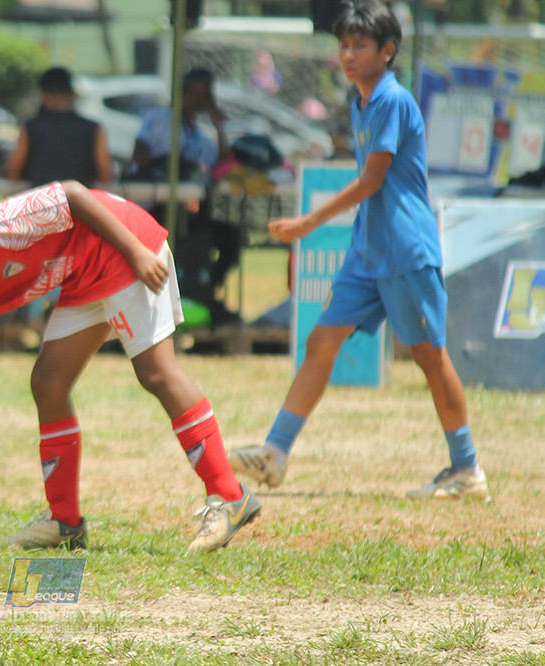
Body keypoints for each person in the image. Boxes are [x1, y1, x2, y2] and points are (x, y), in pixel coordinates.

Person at [0, 180, 261, 553]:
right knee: (48, 381)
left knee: (155, 372)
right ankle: (64, 521)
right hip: (84, 274)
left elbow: (72, 194)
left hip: (125, 248)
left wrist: (136, 252)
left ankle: (229, 495)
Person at [228, 0, 490, 502]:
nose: (348, 54)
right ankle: (276, 453)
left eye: (359, 45)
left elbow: (373, 179)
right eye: (343, 44)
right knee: (321, 342)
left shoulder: (392, 99)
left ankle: (467, 468)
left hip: (407, 251)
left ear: (387, 52)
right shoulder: (360, 103)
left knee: (429, 359)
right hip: (367, 253)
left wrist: (309, 222)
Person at [131, 67, 241, 324]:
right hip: (152, 208)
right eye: (196, 93)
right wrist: (165, 165)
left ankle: (202, 295)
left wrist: (219, 126)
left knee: (228, 238)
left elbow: (224, 165)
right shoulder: (160, 119)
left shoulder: (201, 137)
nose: (200, 99)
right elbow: (140, 152)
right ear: (182, 93)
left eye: (206, 95)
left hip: (187, 213)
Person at [6, 67, 113, 187]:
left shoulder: (30, 128)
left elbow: (13, 173)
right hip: (80, 202)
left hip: (44, 202)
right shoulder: (94, 129)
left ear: (44, 95)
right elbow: (106, 176)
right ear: (73, 94)